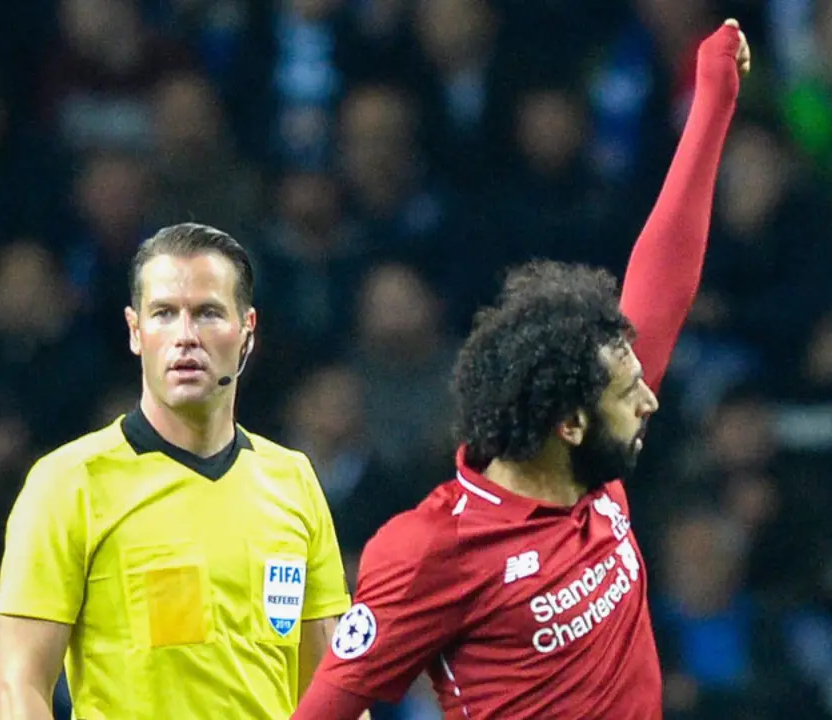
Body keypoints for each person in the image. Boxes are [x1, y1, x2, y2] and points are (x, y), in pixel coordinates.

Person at [293, 19, 752, 720]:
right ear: (567, 423)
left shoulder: (594, 471)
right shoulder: (433, 551)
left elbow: (664, 278)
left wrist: (713, 100)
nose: (649, 402)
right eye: (632, 393)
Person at [0, 223, 354, 719]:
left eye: (207, 313)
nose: (186, 337)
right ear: (135, 331)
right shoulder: (69, 482)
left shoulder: (293, 481)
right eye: (164, 314)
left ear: (248, 329)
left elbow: (330, 695)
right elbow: (21, 685)